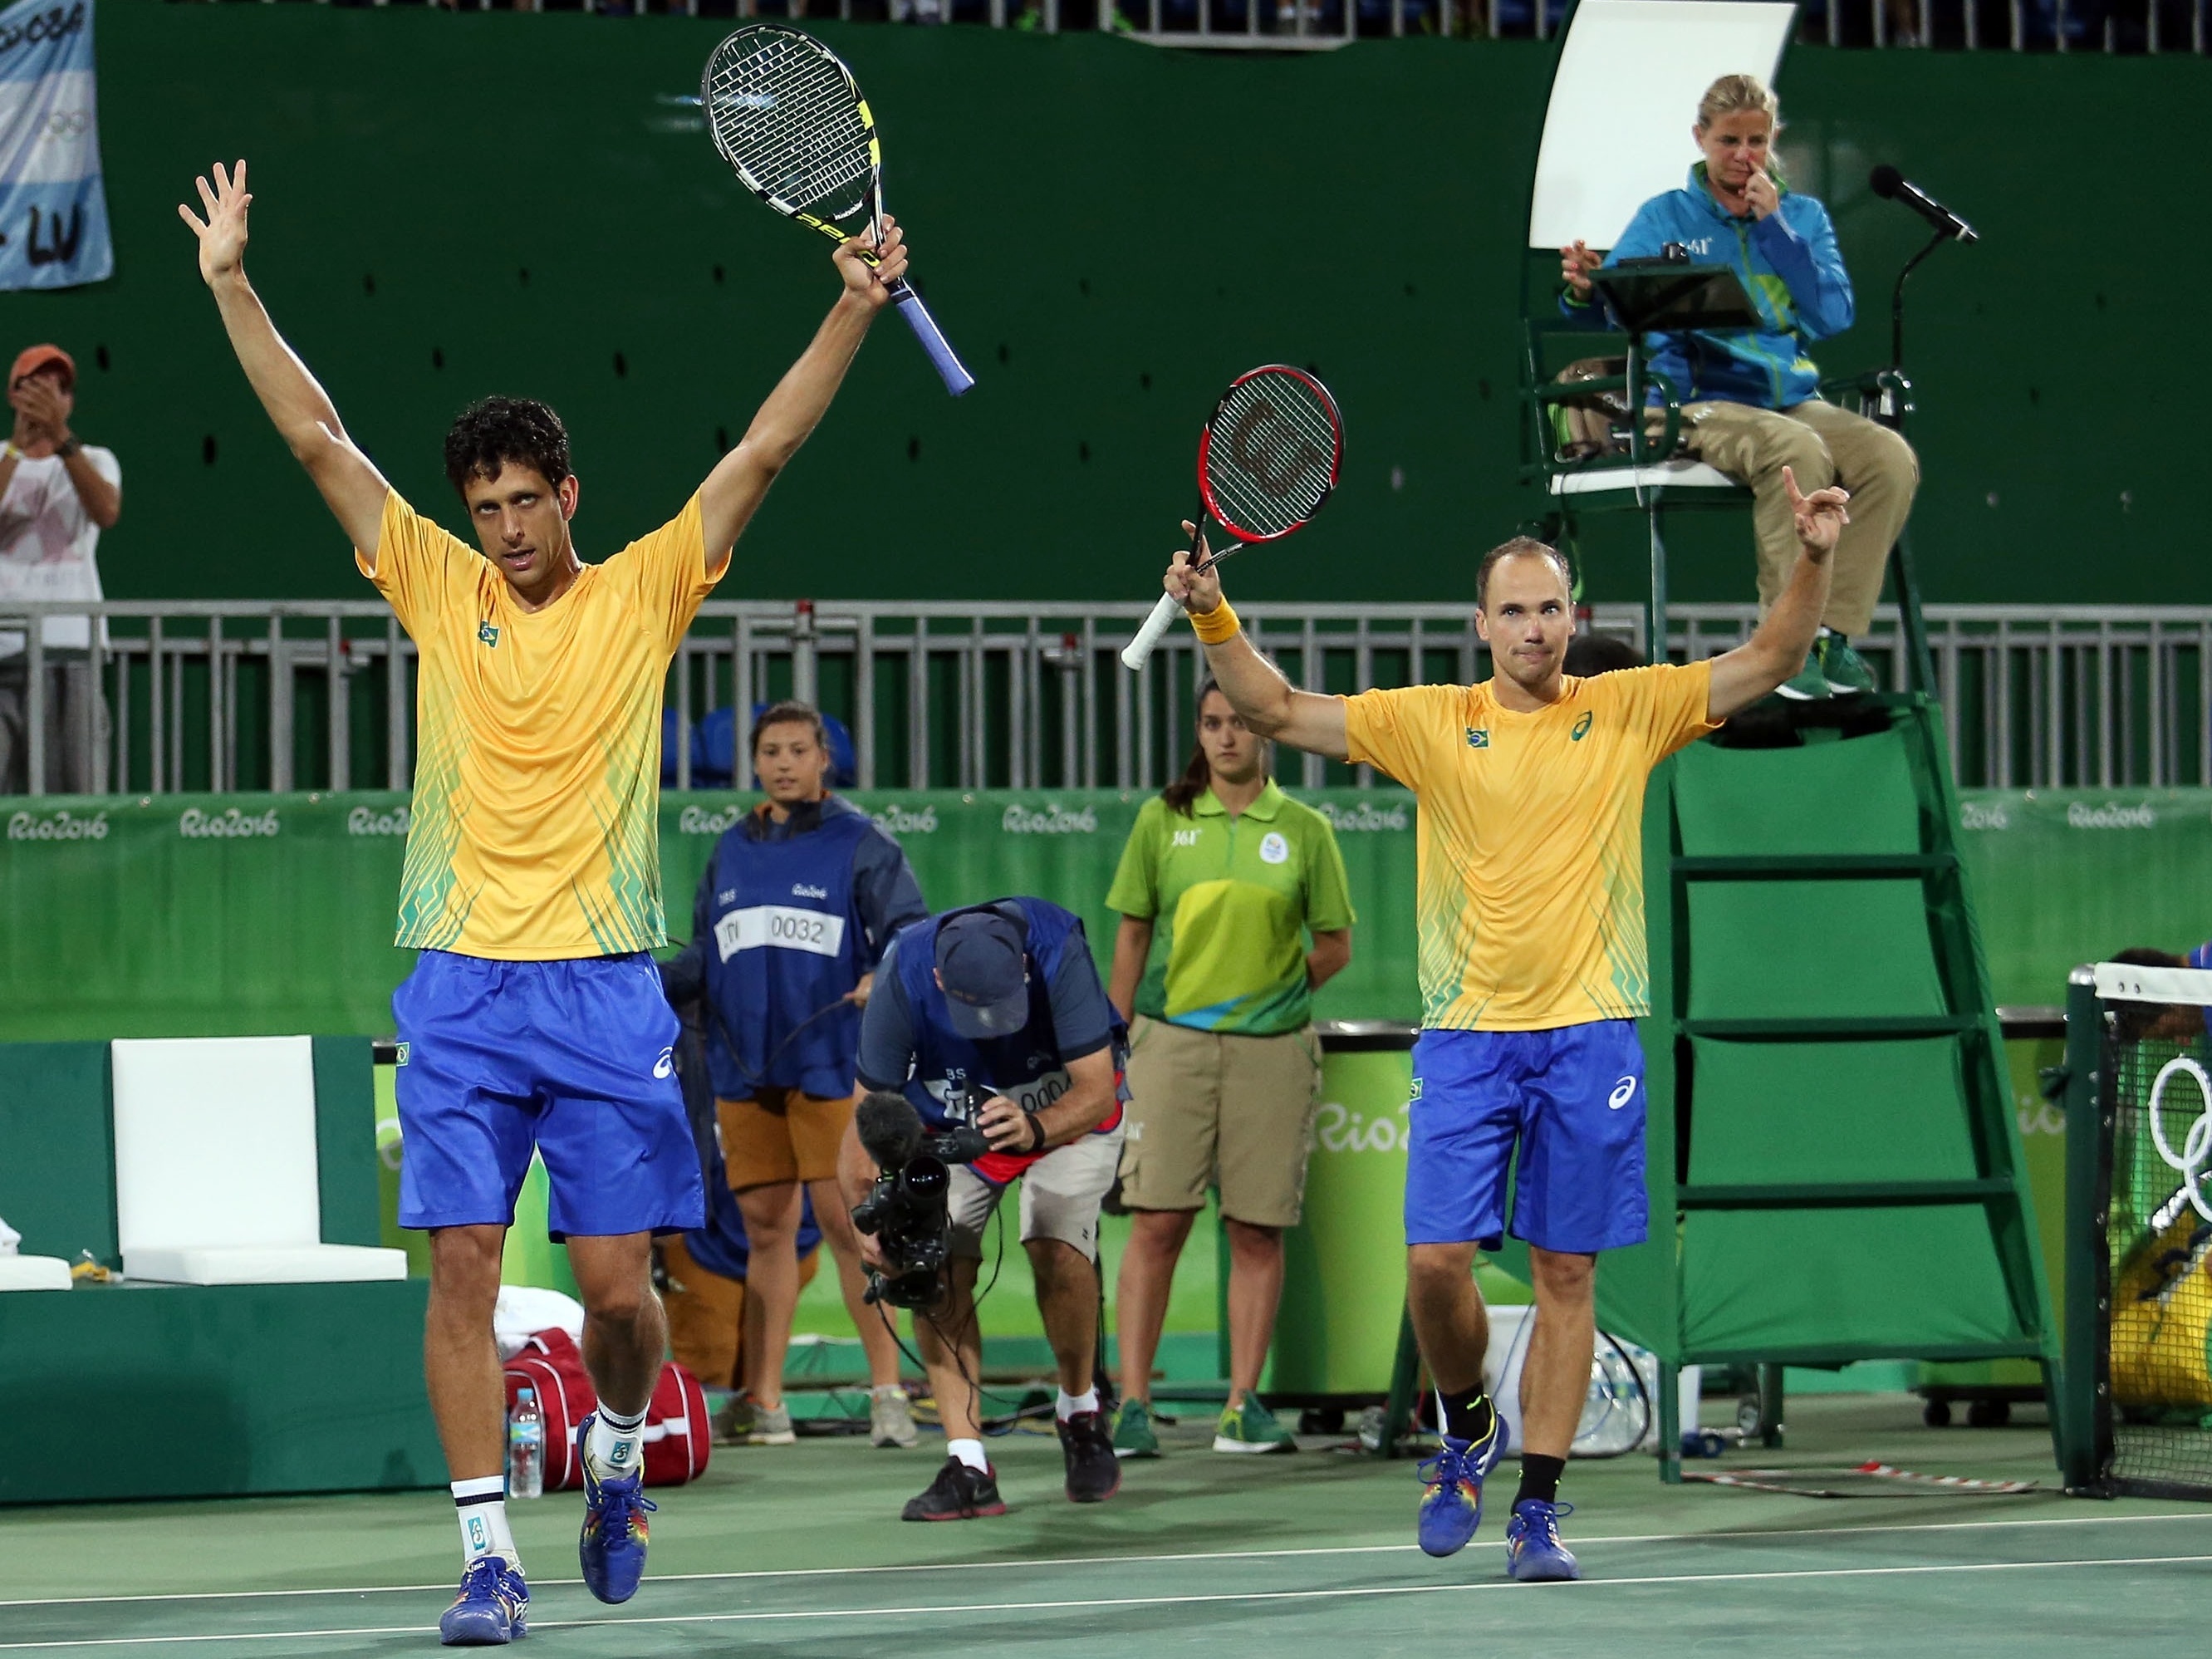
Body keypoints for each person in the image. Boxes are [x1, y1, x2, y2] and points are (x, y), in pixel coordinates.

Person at [179, 159, 916, 1643]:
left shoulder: (643, 589)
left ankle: (619, 1451)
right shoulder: (436, 584)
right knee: (458, 1265)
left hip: (598, 981)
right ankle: (483, 1558)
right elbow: (316, 438)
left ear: (567, 496)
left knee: (619, 1294)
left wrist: (850, 309)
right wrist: (230, 283)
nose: (506, 527)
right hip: (459, 979)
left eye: (525, 501)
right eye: (486, 506)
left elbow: (762, 450)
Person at [1151, 464, 1847, 1582]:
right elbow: (1276, 705)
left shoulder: (1629, 709)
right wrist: (1209, 614)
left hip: (1592, 1034)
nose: (1531, 626)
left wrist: (1811, 553)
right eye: (1511, 609)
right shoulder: (1429, 724)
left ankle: (1536, 1506)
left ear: (1574, 618)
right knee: (1434, 1266)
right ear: (1480, 625)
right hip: (1469, 1037)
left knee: (1565, 1274)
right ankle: (1464, 1422)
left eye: (1548, 606)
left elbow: (1771, 658)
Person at [1560, 72, 1915, 704]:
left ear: (1772, 137)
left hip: (1787, 396)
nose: (1743, 154)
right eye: (1728, 140)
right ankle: (1783, 647)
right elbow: (1618, 306)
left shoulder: (1801, 217)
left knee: (1889, 457)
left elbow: (1831, 315)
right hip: (1688, 400)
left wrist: (1777, 231)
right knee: (1794, 450)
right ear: (1700, 137)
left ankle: (1830, 634)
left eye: (1756, 139)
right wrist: (1584, 290)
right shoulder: (1663, 216)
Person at [1104, 677, 1354, 1458]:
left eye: (1239, 723)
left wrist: (1272, 997)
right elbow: (1132, 938)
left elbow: (1333, 946)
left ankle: (1243, 1405)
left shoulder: (1306, 829)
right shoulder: (1161, 820)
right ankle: (1133, 1405)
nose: (1225, 737)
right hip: (1170, 1047)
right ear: (1200, 731)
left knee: (1255, 1229)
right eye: (1211, 722)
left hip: (1273, 1053)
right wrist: (1114, 1040)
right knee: (1157, 1223)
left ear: (1265, 732)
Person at [679, 699, 929, 1451]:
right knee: (765, 1232)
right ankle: (767, 1401)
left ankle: (888, 1392)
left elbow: (910, 937)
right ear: (753, 762)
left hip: (829, 1065)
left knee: (849, 1228)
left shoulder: (861, 843)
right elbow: (702, 951)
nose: (784, 762)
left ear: (825, 759)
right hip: (742, 1068)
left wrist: (875, 974)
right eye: (770, 751)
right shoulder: (730, 848)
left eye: (798, 749)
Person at [842, 899, 1128, 1522]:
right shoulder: (903, 974)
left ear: (1024, 966)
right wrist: (865, 1217)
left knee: (1054, 1240)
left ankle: (1079, 1410)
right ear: (940, 981)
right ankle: (968, 1460)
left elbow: (1097, 1088)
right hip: (953, 1128)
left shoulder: (1058, 948)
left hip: (1065, 1116)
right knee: (929, 1264)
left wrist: (1033, 1125)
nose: (994, 1026)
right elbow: (865, 1120)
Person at [655, 937, 829, 1419]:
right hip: (701, 1240)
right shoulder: (672, 1024)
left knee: (744, 1390)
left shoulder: (809, 1027)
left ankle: (766, 1403)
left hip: (785, 1237)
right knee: (709, 1387)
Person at [0, 344, 122, 794]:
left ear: (69, 402)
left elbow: (107, 511)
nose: (50, 395)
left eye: (59, 389)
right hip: (3, 653)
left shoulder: (97, 459)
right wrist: (17, 447)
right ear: (14, 396)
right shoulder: (0, 457)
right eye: (36, 386)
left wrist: (60, 437)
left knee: (75, 793)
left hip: (71, 652)